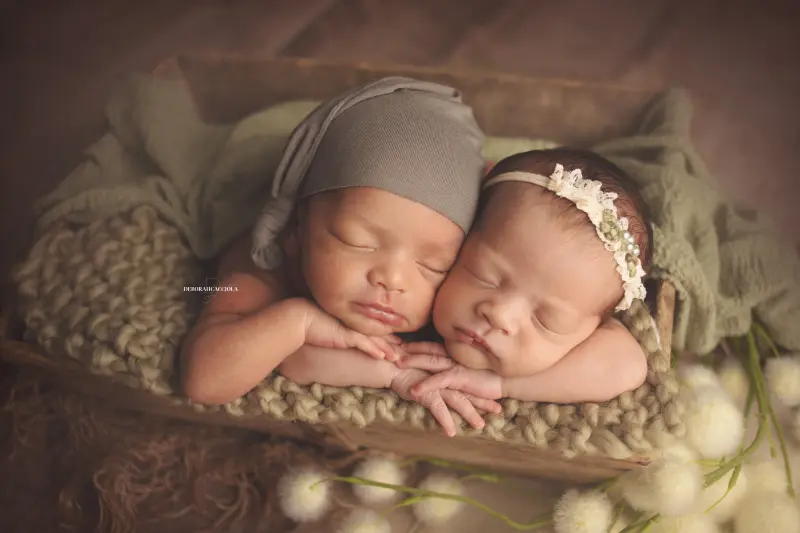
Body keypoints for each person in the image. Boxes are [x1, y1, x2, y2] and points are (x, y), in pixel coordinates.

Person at [180, 77, 502, 434]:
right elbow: (204, 381)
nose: (392, 279)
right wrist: (298, 321)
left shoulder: (461, 292)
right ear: (298, 229)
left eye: (433, 265)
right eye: (358, 241)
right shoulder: (261, 267)